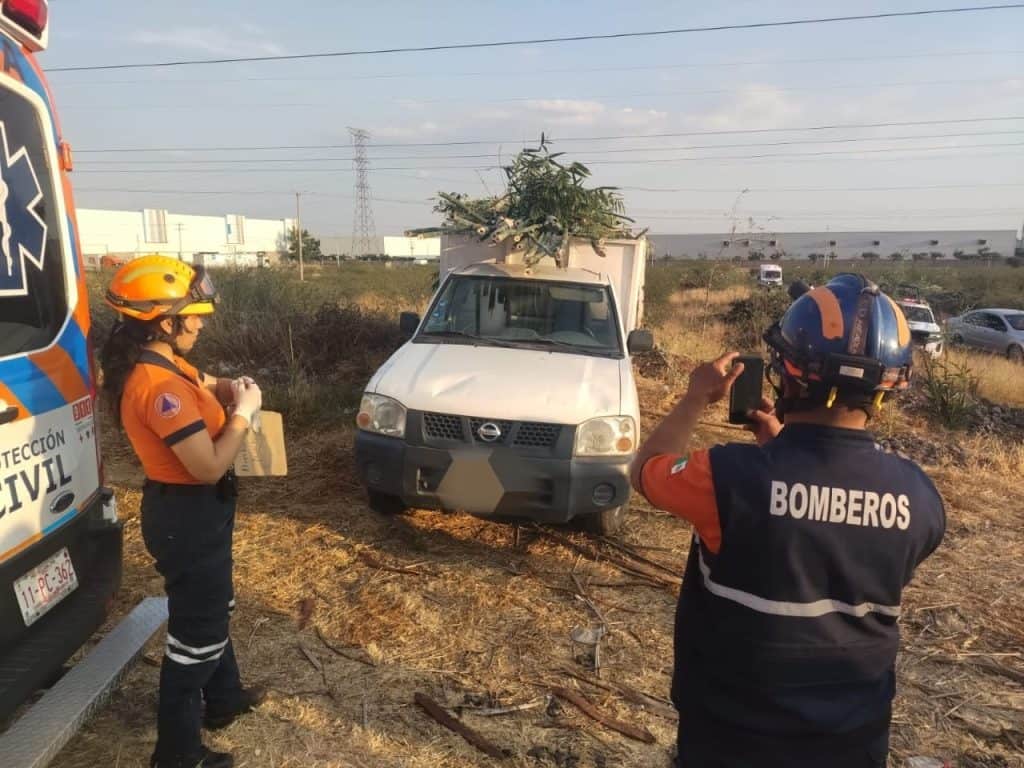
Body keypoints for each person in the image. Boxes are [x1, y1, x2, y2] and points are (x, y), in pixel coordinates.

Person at [630, 274, 945, 768]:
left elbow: (647, 471)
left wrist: (695, 398)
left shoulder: (726, 478)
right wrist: (778, 442)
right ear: (889, 387)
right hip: (852, 745)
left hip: (729, 740)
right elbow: (833, 524)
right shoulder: (919, 498)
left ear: (787, 372)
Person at [101, 256, 266, 768]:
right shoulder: (161, 388)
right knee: (196, 634)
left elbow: (206, 382)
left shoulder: (167, 365)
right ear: (163, 322)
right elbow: (209, 466)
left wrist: (230, 390)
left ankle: (225, 698)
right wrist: (243, 415)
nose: (199, 322)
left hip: (197, 516)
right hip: (187, 516)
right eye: (191, 315)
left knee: (214, 609)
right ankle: (177, 755)